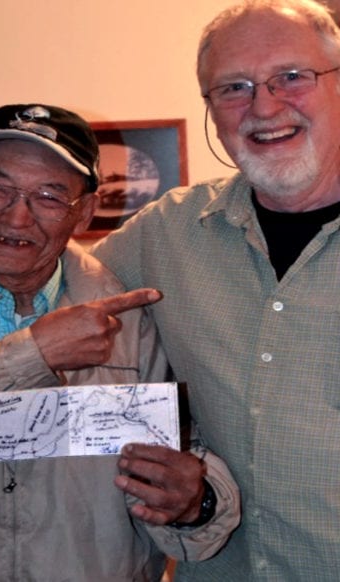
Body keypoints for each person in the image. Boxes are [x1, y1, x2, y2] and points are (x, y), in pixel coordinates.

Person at [92, 0, 340, 579]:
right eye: (234, 87)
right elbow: (51, 296)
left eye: (292, 77)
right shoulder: (166, 234)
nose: (264, 105)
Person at [0, 103, 240, 582]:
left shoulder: (139, 322)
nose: (17, 217)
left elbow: (193, 470)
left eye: (49, 196)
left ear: (84, 213)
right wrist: (31, 354)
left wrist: (197, 501)